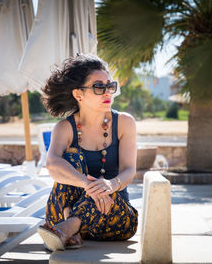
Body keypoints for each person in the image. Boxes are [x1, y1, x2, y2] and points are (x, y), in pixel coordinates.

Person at [37, 54, 138, 251]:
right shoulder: (64, 128)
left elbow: (129, 170)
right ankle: (70, 225)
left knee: (108, 196)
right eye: (99, 87)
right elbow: (52, 164)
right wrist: (87, 184)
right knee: (69, 159)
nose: (107, 92)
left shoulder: (124, 123)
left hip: (115, 216)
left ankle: (70, 226)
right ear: (78, 94)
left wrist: (110, 185)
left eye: (110, 86)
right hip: (63, 211)